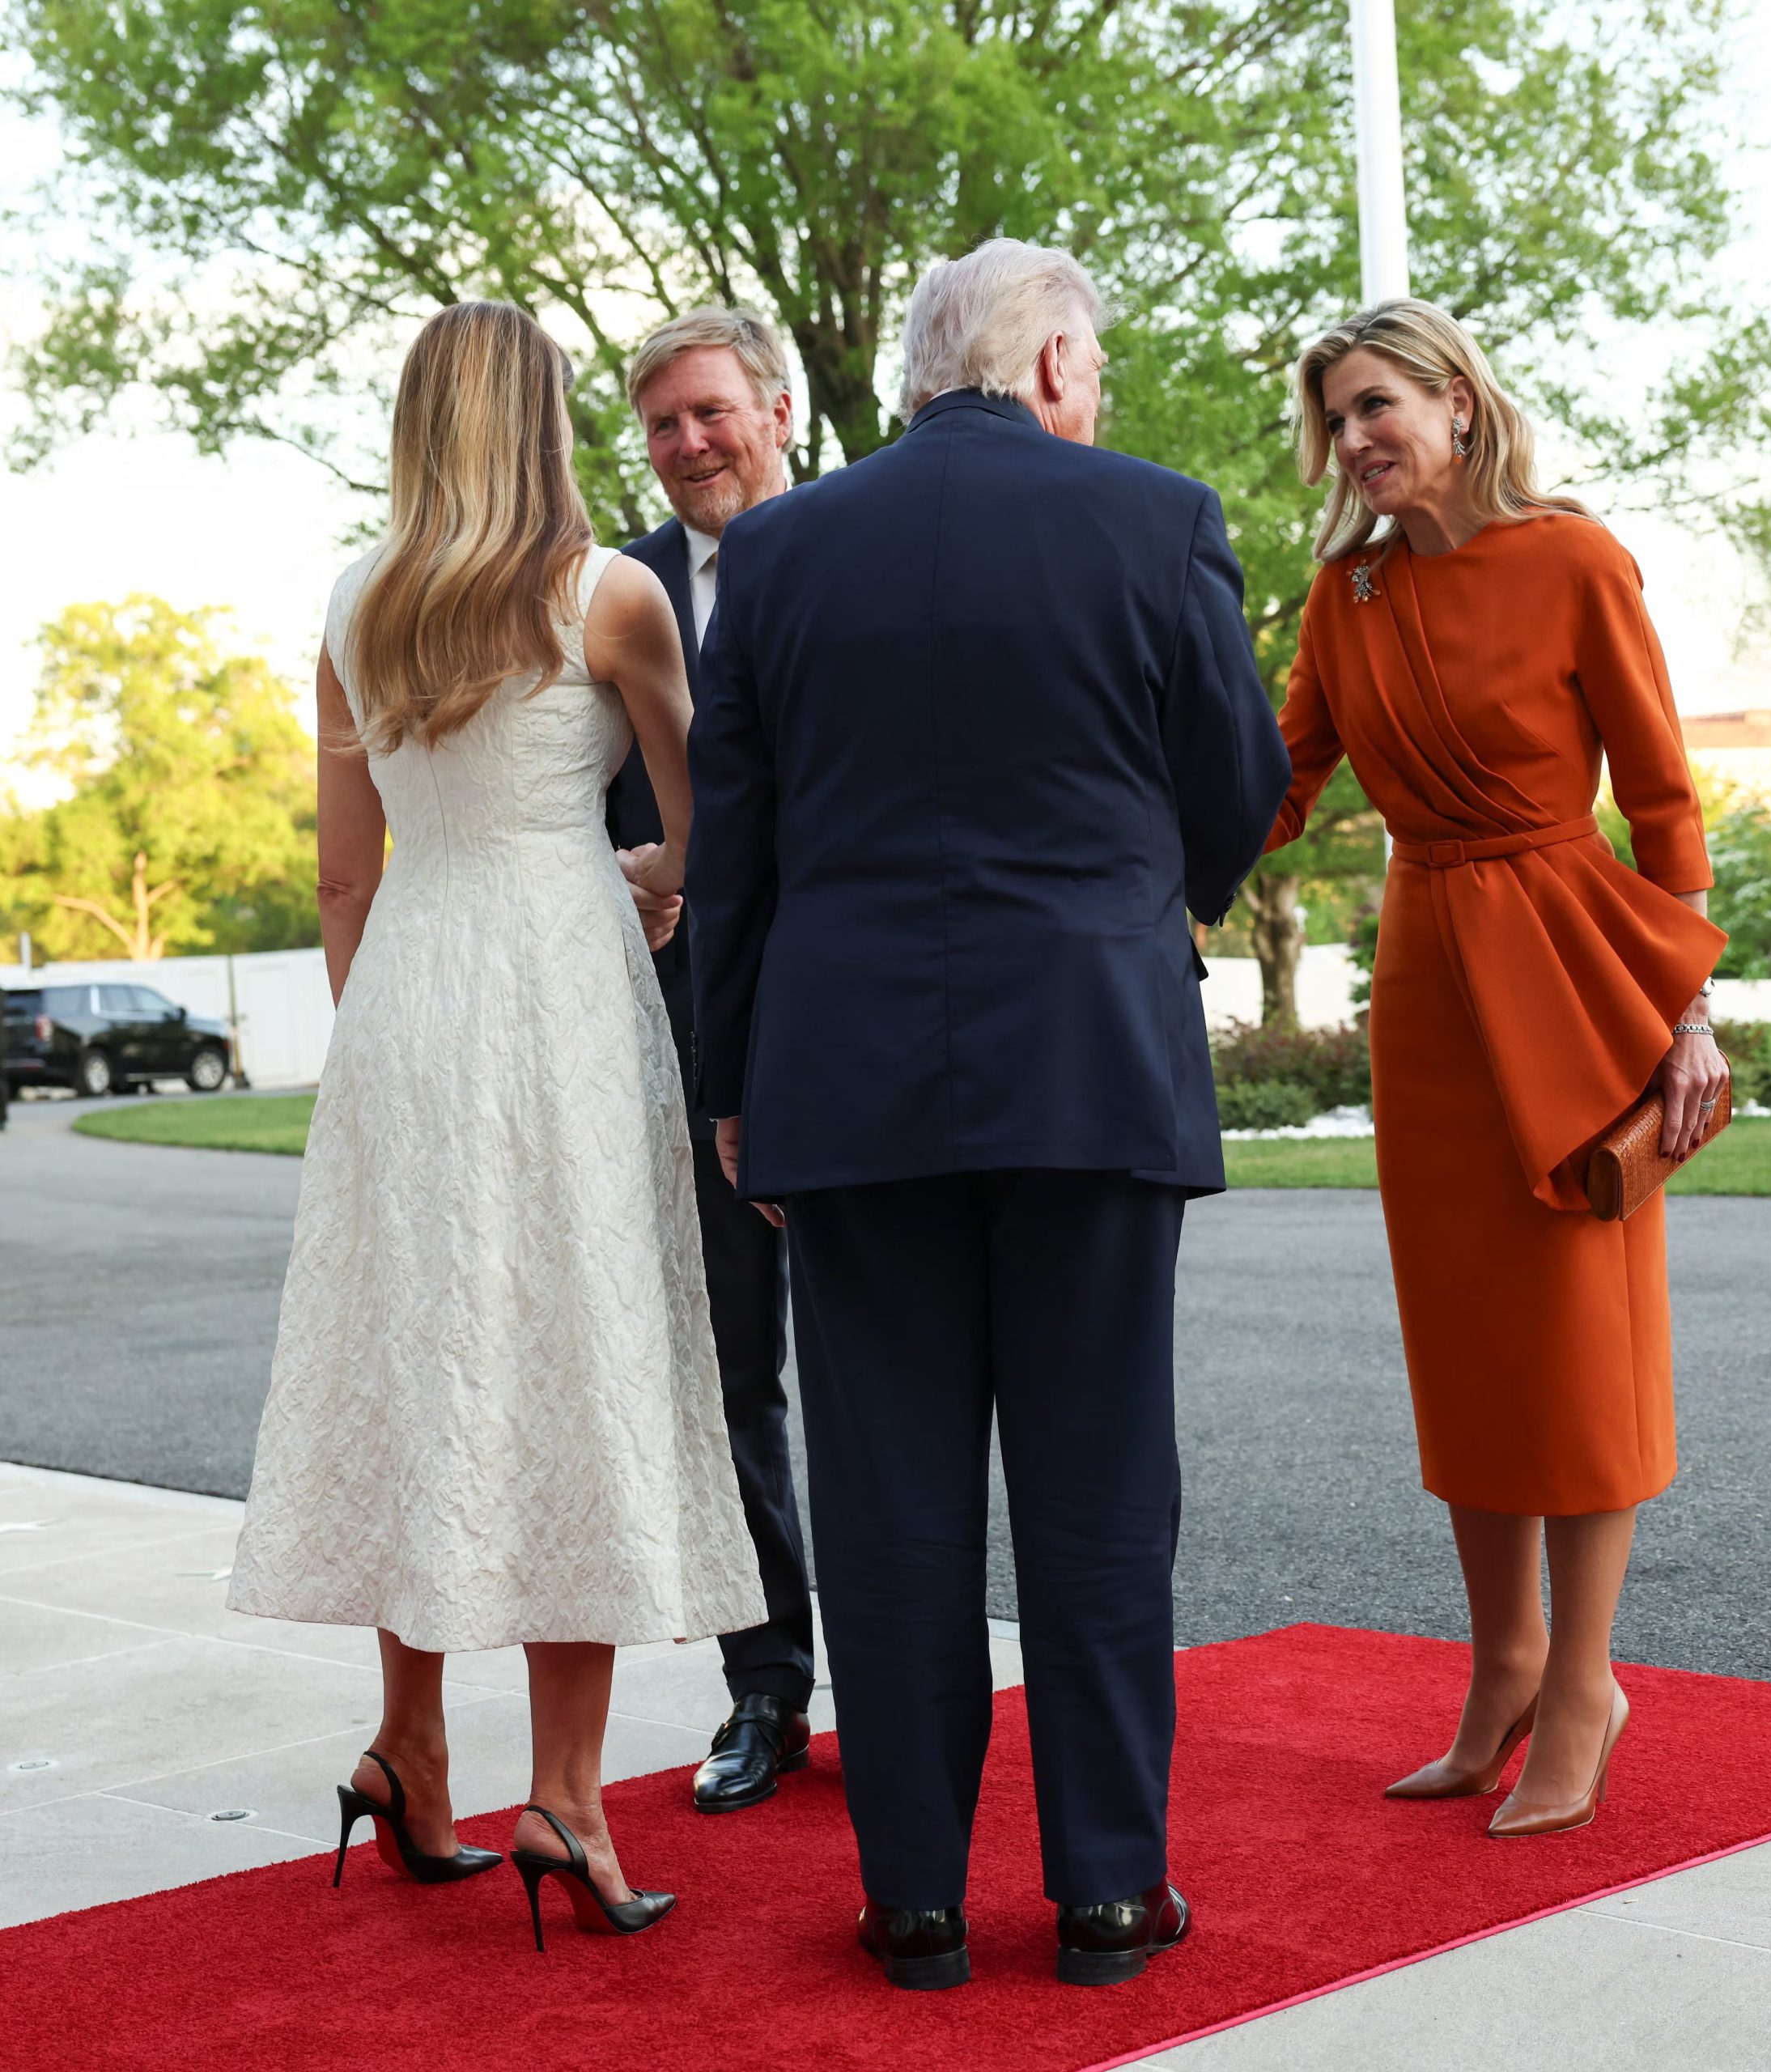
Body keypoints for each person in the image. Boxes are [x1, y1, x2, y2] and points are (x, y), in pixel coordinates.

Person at [685, 240, 1290, 1990]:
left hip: (846, 1080)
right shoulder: (1153, 520)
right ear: (1043, 368)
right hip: (1089, 1056)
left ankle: (915, 1895)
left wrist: (732, 1087)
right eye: (1087, 363)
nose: (1091, 394)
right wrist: (1119, 901)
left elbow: (739, 855)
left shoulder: (779, 551)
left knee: (883, 1503)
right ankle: (1106, 1887)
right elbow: (1233, 787)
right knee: (1099, 1496)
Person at [227, 301, 767, 1947]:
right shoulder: (610, 594)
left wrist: (381, 1029)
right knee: (570, 1363)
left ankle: (408, 1749)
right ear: (540, 420)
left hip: (407, 1003)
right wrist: (646, 885)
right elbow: (709, 826)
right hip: (558, 1001)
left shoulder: (351, 601)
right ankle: (569, 1797)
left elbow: (342, 872)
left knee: (421, 1366)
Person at [1268, 301, 1730, 1837]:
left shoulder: (1578, 561)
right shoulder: (1347, 591)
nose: (1354, 440)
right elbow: (1276, 786)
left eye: (1375, 406)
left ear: (1459, 402)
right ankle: (1504, 1667)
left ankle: (1586, 1682)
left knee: (1578, 1343)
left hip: (1578, 968)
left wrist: (1688, 1015)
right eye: (1335, 420)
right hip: (1427, 980)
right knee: (1468, 1339)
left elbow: (1664, 805)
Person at [606, 310, 818, 1813]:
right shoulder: (616, 588)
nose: (690, 445)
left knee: (887, 1383)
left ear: (780, 408)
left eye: (712, 413)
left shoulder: (870, 550)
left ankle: (911, 1691)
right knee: (732, 1377)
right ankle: (765, 1694)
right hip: (683, 1040)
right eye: (665, 423)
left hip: (852, 1023)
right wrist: (634, 863)